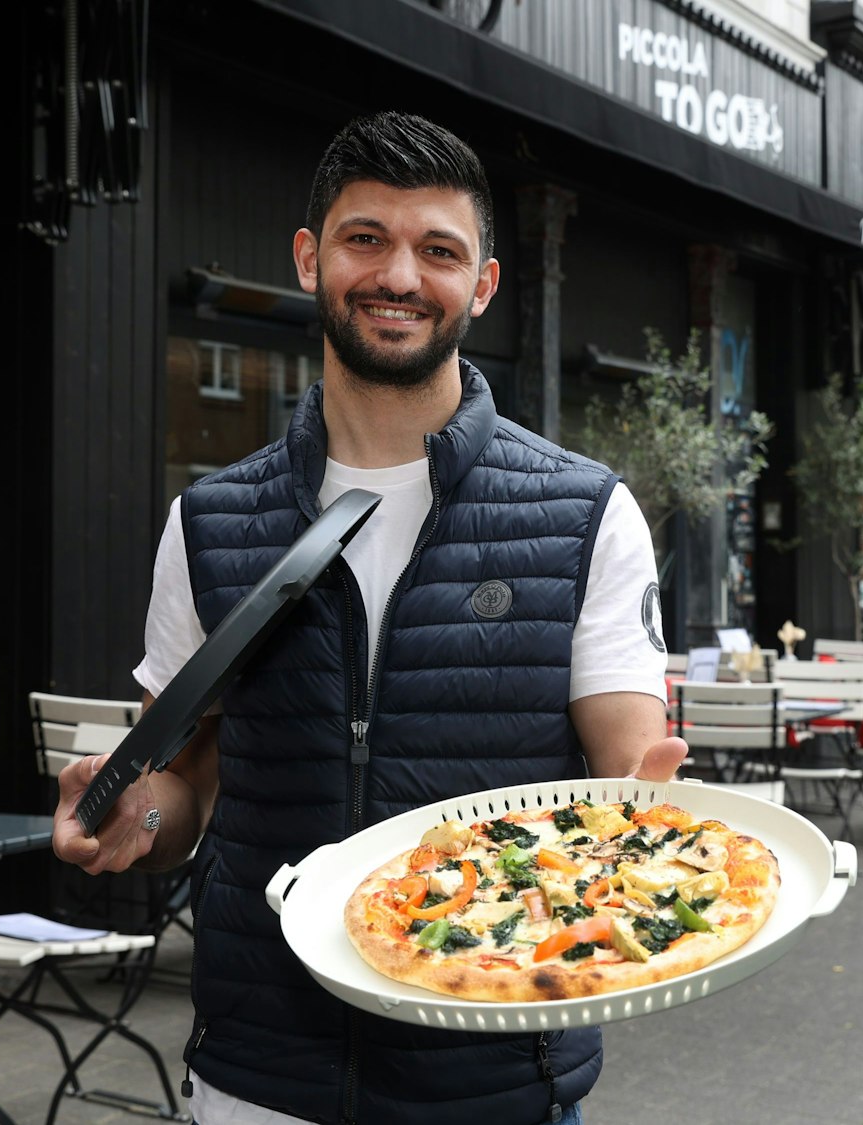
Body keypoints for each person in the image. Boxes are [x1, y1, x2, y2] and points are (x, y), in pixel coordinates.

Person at [51, 113, 687, 1125]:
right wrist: (139, 817)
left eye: (436, 250)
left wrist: (645, 822)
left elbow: (627, 775)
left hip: (493, 1073)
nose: (398, 274)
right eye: (364, 239)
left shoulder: (582, 513)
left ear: (478, 285)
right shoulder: (212, 522)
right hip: (260, 1074)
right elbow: (184, 784)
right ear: (310, 260)